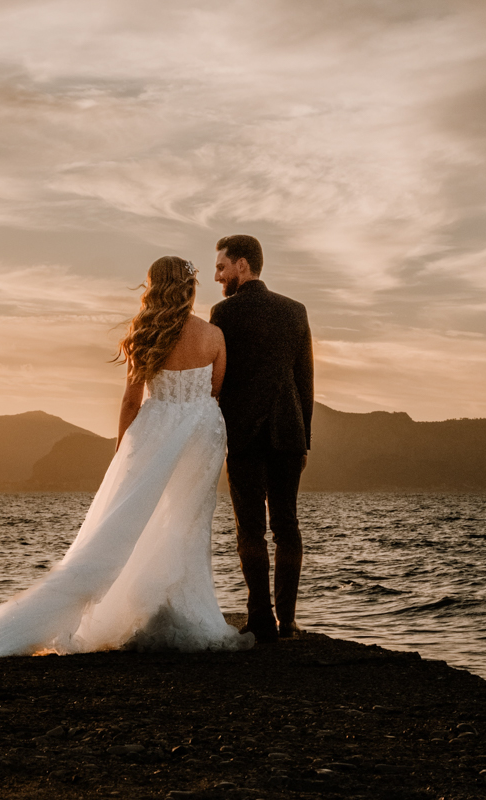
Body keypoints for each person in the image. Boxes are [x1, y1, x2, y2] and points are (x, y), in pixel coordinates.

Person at [0, 256, 252, 750]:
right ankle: (182, 610)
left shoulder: (147, 331)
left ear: (155, 287)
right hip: (201, 435)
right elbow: (214, 392)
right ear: (192, 287)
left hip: (158, 431)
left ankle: (122, 605)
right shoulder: (215, 336)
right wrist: (191, 418)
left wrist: (123, 447)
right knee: (185, 526)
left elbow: (133, 399)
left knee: (128, 523)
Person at [209, 235, 313, 644]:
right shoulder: (295, 310)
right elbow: (305, 381)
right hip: (289, 432)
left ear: (243, 265)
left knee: (249, 528)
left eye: (222, 267)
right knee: (287, 525)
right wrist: (305, 439)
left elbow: (218, 376)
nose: (218, 276)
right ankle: (287, 622)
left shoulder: (223, 312)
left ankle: (260, 618)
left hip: (244, 434)